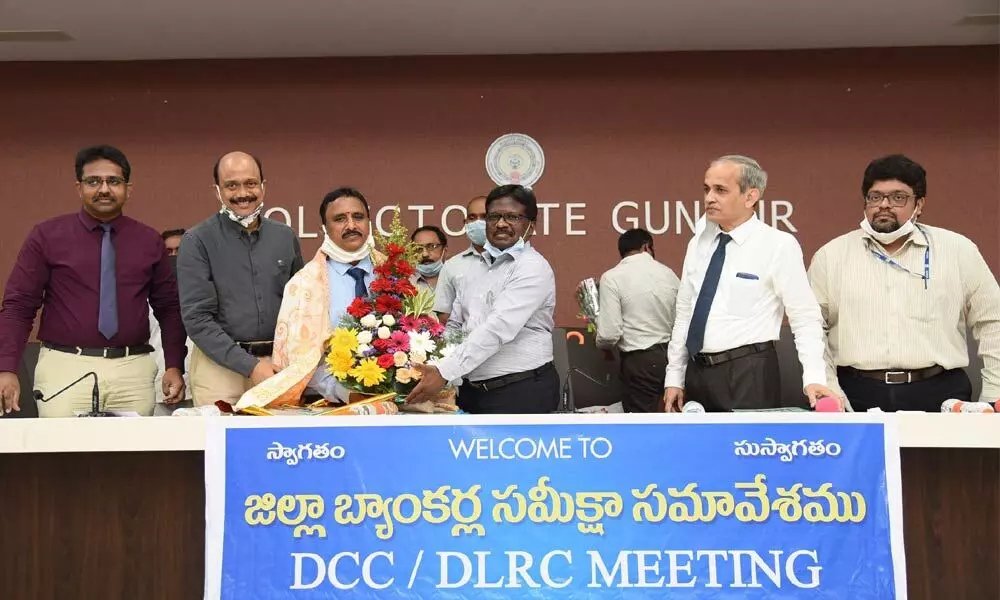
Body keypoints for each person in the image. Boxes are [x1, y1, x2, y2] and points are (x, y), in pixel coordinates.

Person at [0, 145, 186, 416]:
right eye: (93, 181)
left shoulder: (148, 241)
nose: (104, 189)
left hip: (132, 370)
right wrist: (6, 368)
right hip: (65, 368)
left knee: (135, 457)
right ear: (79, 187)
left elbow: (169, 309)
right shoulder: (47, 236)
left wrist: (173, 365)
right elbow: (18, 307)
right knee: (63, 456)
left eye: (114, 181)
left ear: (128, 188)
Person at [809, 154, 1000, 412]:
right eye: (875, 197)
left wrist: (993, 393)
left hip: (940, 391)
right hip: (857, 391)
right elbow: (812, 331)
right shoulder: (831, 256)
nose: (884, 205)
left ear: (919, 204)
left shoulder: (958, 250)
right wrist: (832, 392)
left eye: (898, 197)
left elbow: (993, 321)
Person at [663, 155, 837, 412]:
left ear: (750, 196)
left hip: (749, 373)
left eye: (720, 190)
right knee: (697, 452)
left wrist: (813, 377)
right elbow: (685, 312)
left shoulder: (778, 245)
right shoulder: (698, 243)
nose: (709, 197)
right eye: (706, 188)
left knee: (745, 452)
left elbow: (804, 316)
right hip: (696, 373)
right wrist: (675, 376)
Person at [406, 184, 559, 414]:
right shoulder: (476, 267)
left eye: (512, 217)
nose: (501, 224)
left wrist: (444, 371)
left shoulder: (532, 267)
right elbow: (456, 325)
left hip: (521, 391)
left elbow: (498, 328)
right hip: (472, 391)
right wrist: (431, 362)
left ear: (531, 226)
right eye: (494, 216)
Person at [236, 188, 386, 408]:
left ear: (369, 222)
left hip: (395, 397)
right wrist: (344, 391)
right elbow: (298, 362)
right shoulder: (303, 285)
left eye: (358, 217)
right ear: (324, 228)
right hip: (329, 403)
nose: (351, 226)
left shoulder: (395, 273)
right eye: (339, 219)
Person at [177, 151, 304, 406]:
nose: (242, 193)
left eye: (250, 183)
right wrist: (250, 366)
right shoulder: (197, 241)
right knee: (221, 445)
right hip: (219, 371)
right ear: (217, 191)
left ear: (263, 186)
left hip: (277, 367)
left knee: (277, 445)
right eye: (231, 185)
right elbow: (197, 319)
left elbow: (299, 308)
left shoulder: (284, 237)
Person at [594, 228, 680, 412]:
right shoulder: (669, 274)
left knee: (641, 425)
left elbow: (609, 334)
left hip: (639, 363)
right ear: (647, 247)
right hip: (672, 358)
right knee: (676, 418)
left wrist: (602, 344)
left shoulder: (612, 278)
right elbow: (681, 320)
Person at [150, 228, 195, 415]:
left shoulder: (205, 292)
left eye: (180, 251)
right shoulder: (145, 294)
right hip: (155, 381)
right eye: (169, 252)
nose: (174, 258)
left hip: (196, 384)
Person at [433, 195, 490, 323]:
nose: (477, 222)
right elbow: (444, 318)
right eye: (472, 218)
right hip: (464, 341)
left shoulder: (511, 261)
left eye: (484, 217)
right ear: (465, 223)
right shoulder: (452, 265)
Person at [410, 225, 449, 292]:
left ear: (444, 250)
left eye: (431, 246)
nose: (425, 254)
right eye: (419, 249)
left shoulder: (456, 279)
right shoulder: (406, 283)